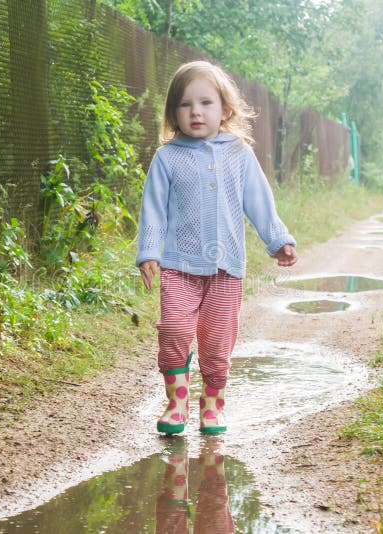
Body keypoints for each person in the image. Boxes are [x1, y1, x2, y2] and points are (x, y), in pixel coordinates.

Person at [136, 60, 297, 435]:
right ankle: (176, 404)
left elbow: (259, 201)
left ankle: (211, 405)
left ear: (225, 109)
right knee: (174, 329)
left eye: (206, 103)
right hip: (178, 267)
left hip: (226, 270)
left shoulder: (238, 154)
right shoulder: (167, 157)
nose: (196, 112)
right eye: (186, 104)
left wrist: (278, 240)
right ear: (173, 113)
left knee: (216, 342)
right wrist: (149, 252)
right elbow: (153, 209)